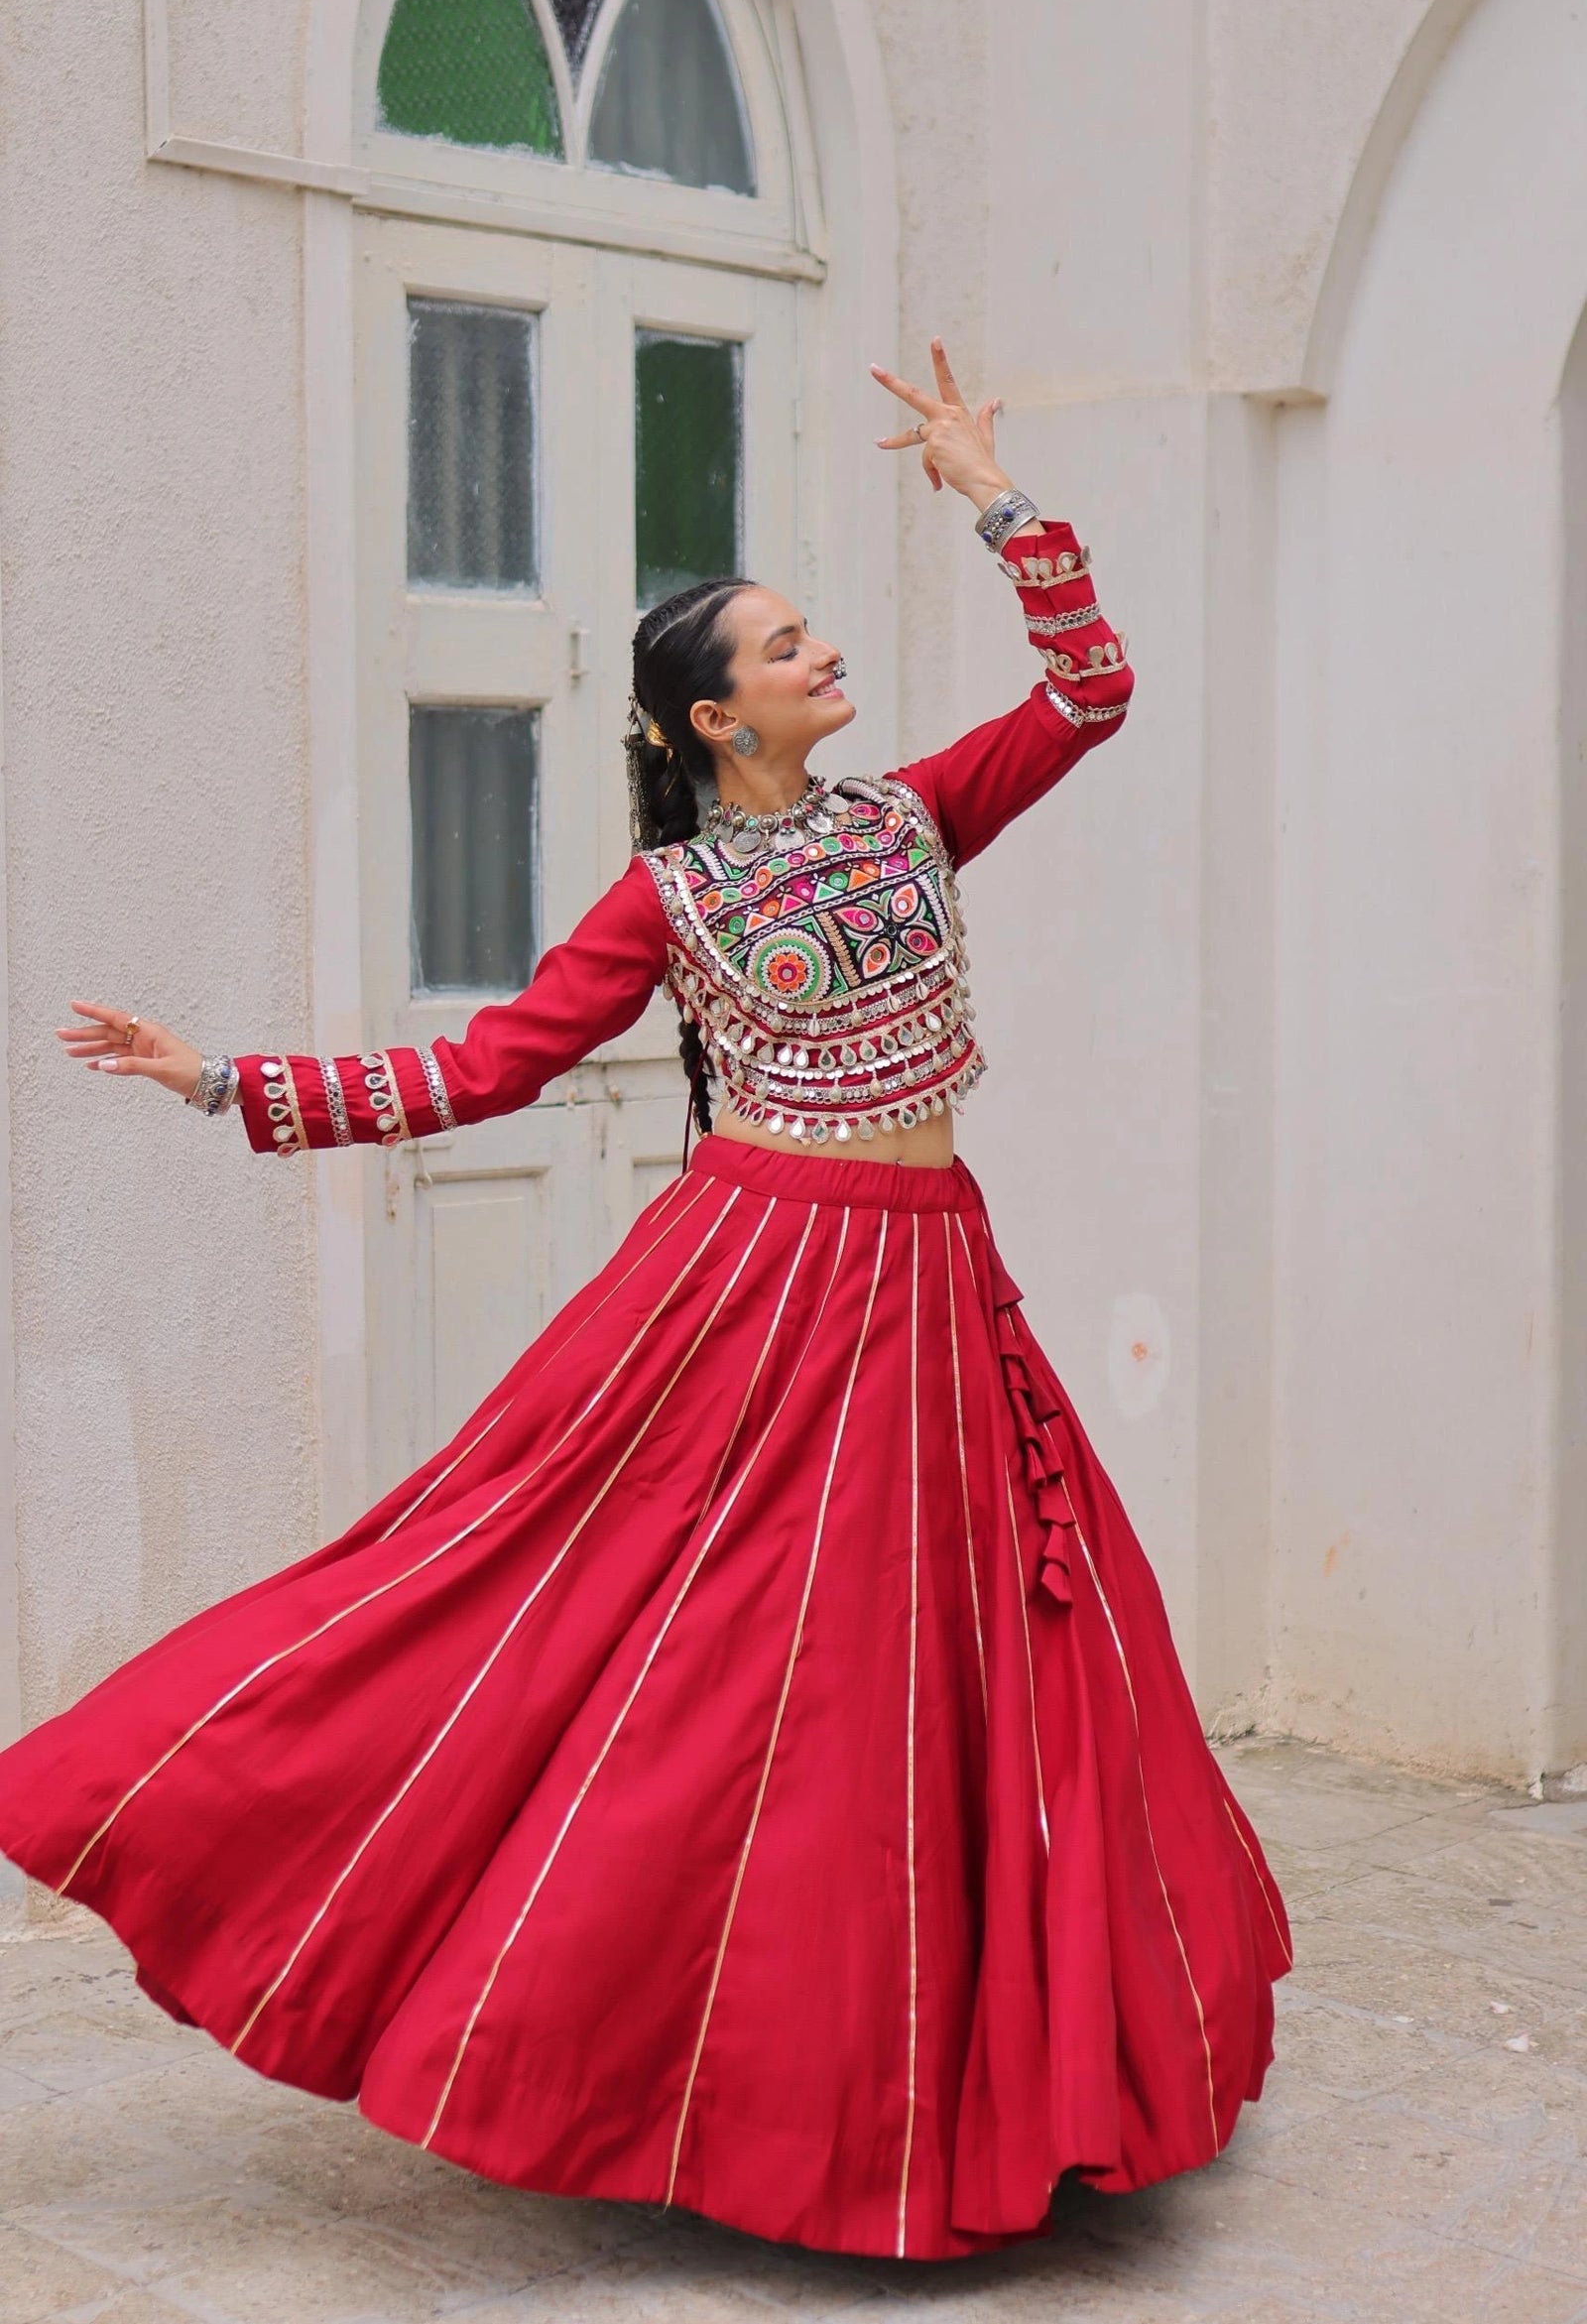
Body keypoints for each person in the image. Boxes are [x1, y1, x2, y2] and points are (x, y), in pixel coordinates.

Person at [0, 341, 1289, 2262]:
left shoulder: (909, 814)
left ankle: (965, 2086)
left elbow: (1091, 691)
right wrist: (220, 1081)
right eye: (787, 649)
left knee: (963, 1667)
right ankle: (719, 2068)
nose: (822, 660)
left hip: (934, 1281)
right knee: (681, 1651)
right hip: (755, 1289)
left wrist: (991, 496)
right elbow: (487, 1072)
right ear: (711, 713)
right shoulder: (669, 901)